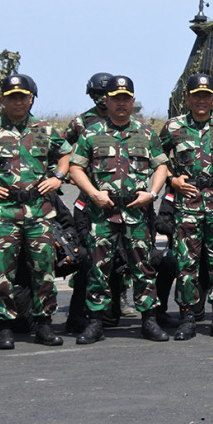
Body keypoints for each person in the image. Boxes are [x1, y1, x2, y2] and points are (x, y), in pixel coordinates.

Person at [0, 74, 71, 350]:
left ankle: (43, 325)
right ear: (3, 100)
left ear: (31, 99)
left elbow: (66, 153)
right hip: (4, 211)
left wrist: (59, 176)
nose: (18, 101)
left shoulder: (45, 129)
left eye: (23, 96)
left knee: (43, 269)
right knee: (2, 271)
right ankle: (4, 326)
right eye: (12, 97)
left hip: (39, 211)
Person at [69, 75, 170, 345]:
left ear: (132, 101)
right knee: (98, 268)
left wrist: (151, 193)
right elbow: (75, 167)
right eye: (116, 99)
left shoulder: (146, 133)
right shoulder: (92, 133)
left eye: (126, 99)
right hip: (103, 210)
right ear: (107, 100)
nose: (121, 104)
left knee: (143, 266)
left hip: (136, 211)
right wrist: (92, 193)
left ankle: (148, 320)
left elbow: (161, 165)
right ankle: (96, 323)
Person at [160, 73, 213, 340]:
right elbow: (156, 160)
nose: (201, 100)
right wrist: (173, 180)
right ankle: (187, 319)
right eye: (196, 95)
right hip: (187, 206)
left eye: (206, 96)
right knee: (186, 265)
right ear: (188, 98)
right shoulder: (173, 127)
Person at [64, 72, 139, 329]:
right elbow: (62, 153)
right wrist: (70, 176)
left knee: (124, 254)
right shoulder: (81, 123)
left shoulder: (127, 120)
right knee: (89, 253)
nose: (100, 99)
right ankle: (83, 307)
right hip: (90, 199)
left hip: (122, 200)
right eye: (96, 95)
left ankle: (121, 297)